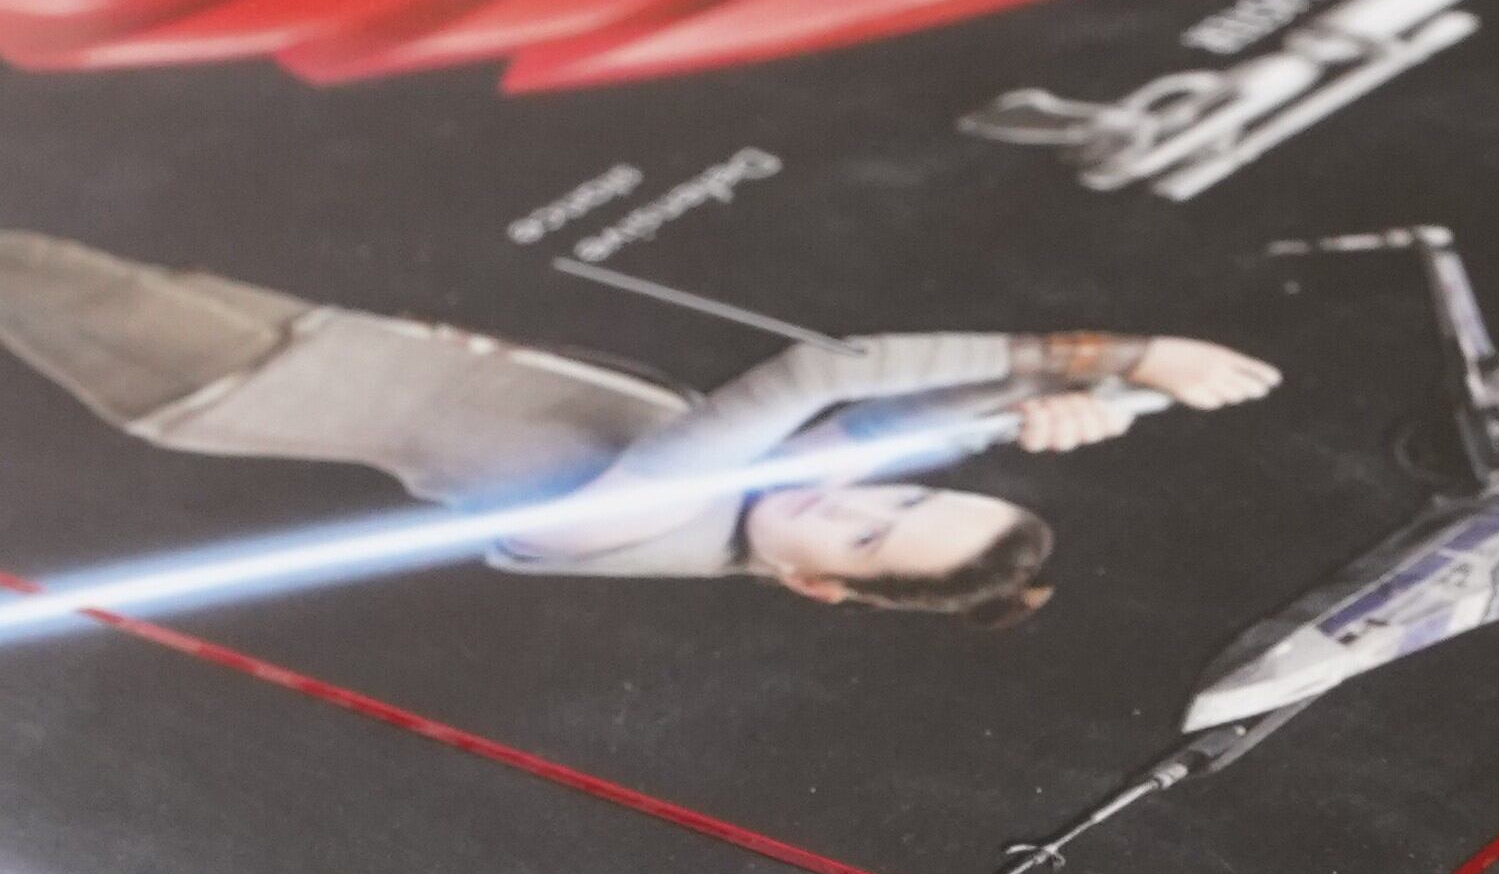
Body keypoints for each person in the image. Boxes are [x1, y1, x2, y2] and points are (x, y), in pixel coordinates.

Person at [0, 232, 1276, 628]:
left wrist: (1112, 355)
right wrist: (1077, 408)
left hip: (225, 378)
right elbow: (892, 427)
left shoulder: (646, 520)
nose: (852, 499)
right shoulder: (757, 504)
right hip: (298, 338)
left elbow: (822, 375)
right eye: (898, 496)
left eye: (868, 535)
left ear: (819, 587)